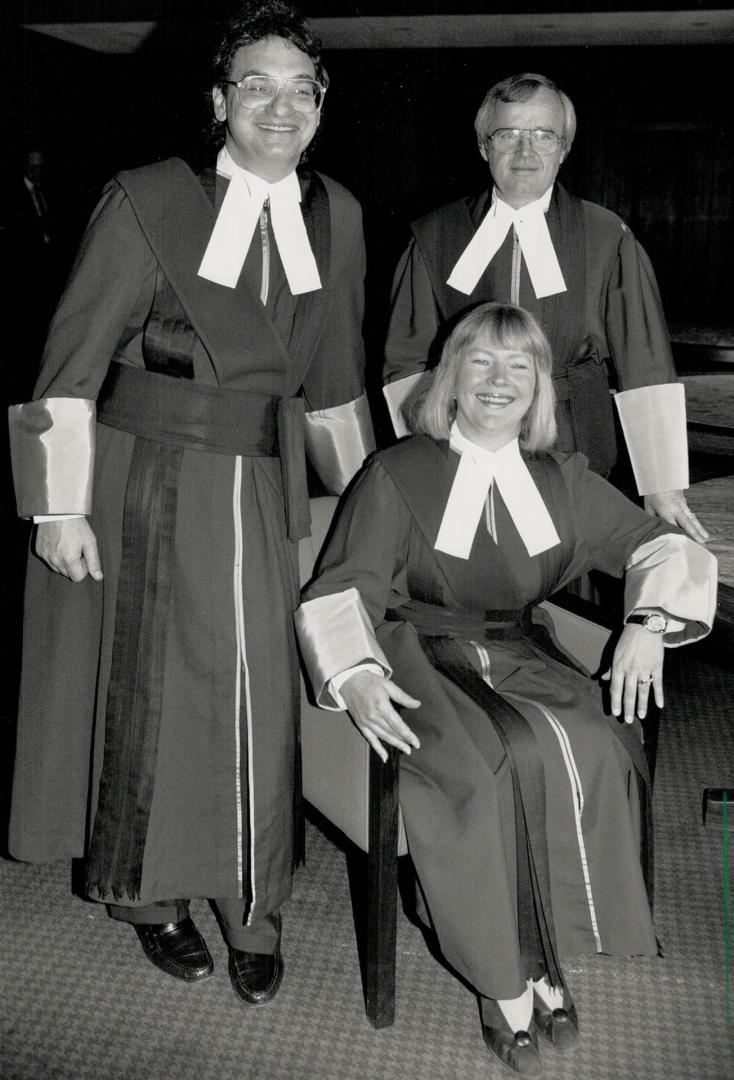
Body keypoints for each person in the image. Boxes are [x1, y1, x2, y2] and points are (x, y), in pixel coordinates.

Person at [7, 1, 374, 1007]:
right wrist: (57, 507)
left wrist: (366, 516)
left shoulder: (337, 215)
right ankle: (151, 898)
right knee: (151, 703)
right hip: (139, 480)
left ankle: (252, 905)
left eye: (300, 89)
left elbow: (336, 382)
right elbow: (69, 361)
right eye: (254, 84)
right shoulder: (145, 200)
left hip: (258, 489)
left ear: (319, 109)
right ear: (218, 100)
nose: (278, 105)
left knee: (258, 698)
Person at [296, 302, 716, 1076]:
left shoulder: (561, 477)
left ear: (539, 389)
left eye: (518, 366)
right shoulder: (398, 472)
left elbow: (658, 543)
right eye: (481, 362)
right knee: (489, 764)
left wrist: (649, 623)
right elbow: (340, 586)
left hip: (520, 651)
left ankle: (545, 948)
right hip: (416, 653)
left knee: (598, 742)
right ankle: (503, 981)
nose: (498, 381)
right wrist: (353, 675)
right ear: (451, 377)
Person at [383, 71, 708, 545]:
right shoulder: (434, 235)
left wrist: (662, 486)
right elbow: (405, 362)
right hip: (464, 441)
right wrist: (428, 454)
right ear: (482, 147)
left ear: (564, 147)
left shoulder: (606, 237)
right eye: (508, 134)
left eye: (543, 135)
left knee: (567, 577)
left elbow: (646, 362)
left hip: (574, 445)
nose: (525, 151)